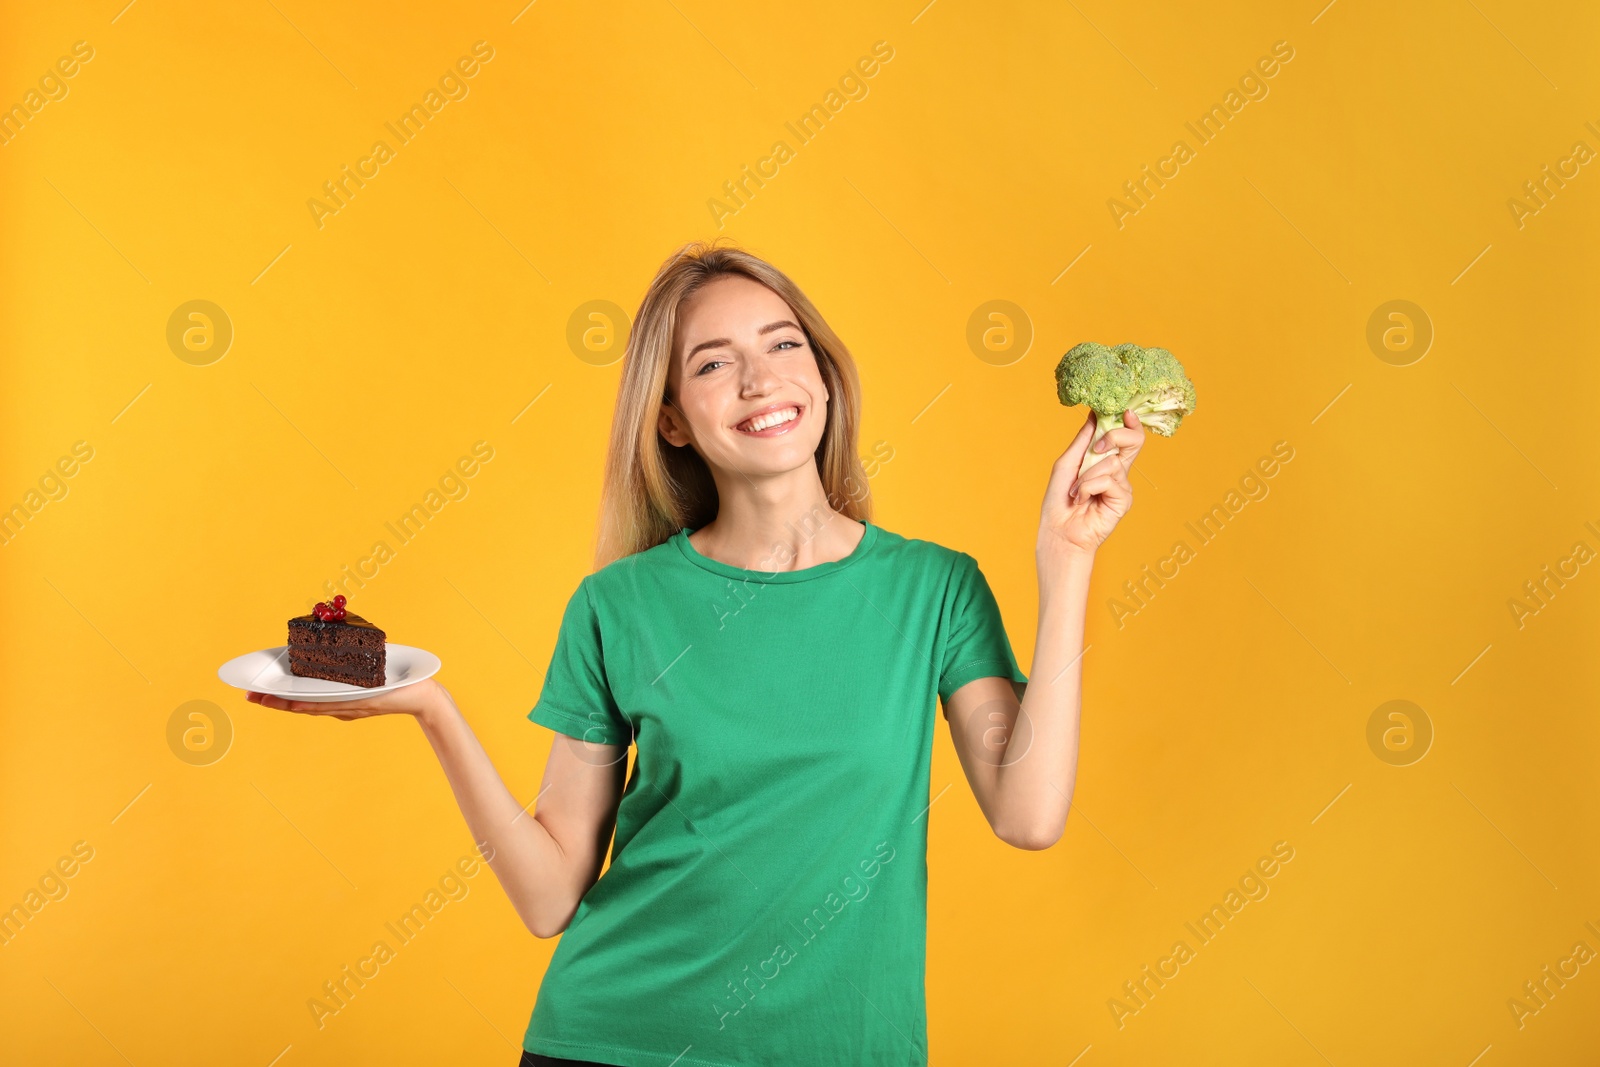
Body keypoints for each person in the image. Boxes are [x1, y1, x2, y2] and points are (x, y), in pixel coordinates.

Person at [247, 240, 1145, 1066]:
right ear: (673, 420)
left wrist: (1066, 563)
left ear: (825, 379)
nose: (760, 379)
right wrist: (433, 710)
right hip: (616, 1041)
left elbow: (1028, 815)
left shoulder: (934, 589)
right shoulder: (618, 605)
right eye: (714, 364)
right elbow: (550, 895)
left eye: (784, 345)